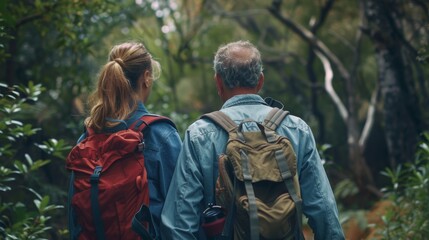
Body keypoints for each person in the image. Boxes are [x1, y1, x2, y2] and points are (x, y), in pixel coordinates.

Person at [160, 40, 345, 239]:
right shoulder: (296, 129)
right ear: (260, 81)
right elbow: (323, 209)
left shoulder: (200, 135)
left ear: (218, 82)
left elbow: (180, 222)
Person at [74, 42, 182, 237]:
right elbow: (180, 213)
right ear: (146, 78)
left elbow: (75, 218)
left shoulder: (87, 137)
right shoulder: (161, 135)